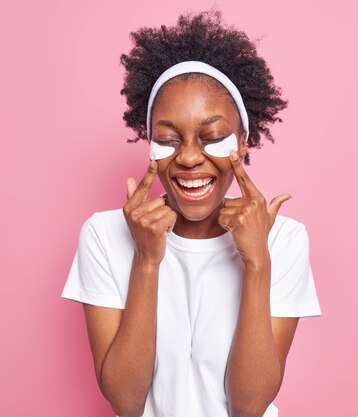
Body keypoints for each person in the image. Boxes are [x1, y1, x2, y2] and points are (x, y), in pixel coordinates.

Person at [61, 9, 322, 417]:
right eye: (167, 139)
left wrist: (257, 262)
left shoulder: (284, 239)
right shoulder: (103, 235)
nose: (187, 157)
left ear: (243, 144)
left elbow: (249, 407)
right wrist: (147, 261)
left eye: (212, 137)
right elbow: (126, 403)